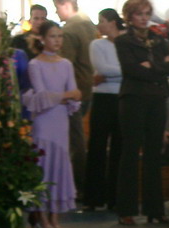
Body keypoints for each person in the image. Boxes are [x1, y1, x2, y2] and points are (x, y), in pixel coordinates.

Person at [115, 0, 169, 226]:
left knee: (154, 152)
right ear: (129, 17)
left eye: (146, 13)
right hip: (133, 98)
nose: (143, 18)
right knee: (130, 152)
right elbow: (131, 69)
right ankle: (126, 210)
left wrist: (152, 67)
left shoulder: (158, 39)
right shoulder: (123, 40)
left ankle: (155, 210)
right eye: (139, 14)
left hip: (157, 98)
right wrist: (160, 66)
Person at [24, 20, 81, 228]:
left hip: (60, 121)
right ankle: (42, 218)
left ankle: (55, 217)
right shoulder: (35, 64)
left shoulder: (66, 64)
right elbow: (42, 96)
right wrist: (65, 96)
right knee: (43, 167)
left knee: (59, 167)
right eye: (52, 36)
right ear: (42, 39)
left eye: (60, 36)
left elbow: (75, 94)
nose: (57, 40)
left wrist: (64, 96)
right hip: (44, 122)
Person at [53, 0, 95, 202]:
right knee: (77, 139)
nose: (56, 11)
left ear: (67, 5)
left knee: (74, 141)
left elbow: (65, 65)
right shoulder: (88, 22)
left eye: (57, 7)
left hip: (74, 90)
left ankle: (76, 187)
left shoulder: (69, 30)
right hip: (88, 87)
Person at [83, 8, 124, 212]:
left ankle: (115, 197)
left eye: (102, 21)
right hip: (102, 98)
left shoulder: (126, 44)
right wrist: (125, 72)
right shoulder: (97, 44)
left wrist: (112, 75)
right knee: (97, 146)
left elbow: (130, 68)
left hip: (122, 98)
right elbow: (103, 68)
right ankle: (94, 197)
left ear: (113, 23)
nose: (98, 25)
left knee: (119, 147)